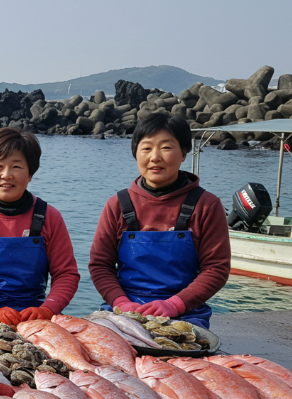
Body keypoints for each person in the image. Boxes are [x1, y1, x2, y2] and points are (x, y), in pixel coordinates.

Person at [89, 112, 230, 329]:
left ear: (184, 153)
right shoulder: (117, 204)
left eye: (166, 147)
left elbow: (216, 268)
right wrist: (120, 302)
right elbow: (100, 265)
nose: (155, 157)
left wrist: (175, 305)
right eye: (146, 148)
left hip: (186, 313)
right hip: (125, 311)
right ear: (135, 153)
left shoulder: (207, 205)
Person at [0, 128, 79, 327]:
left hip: (33, 314)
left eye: (16, 167)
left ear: (30, 174)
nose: (6, 175)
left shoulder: (50, 217)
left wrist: (48, 308)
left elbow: (66, 274)